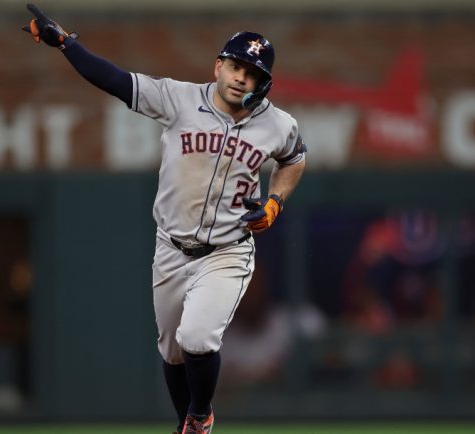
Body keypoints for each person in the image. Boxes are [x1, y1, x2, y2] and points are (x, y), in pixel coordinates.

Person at [21, 4, 307, 434]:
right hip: (171, 248)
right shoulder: (179, 98)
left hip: (227, 251)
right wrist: (67, 44)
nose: (239, 78)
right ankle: (185, 424)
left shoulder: (278, 124)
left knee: (197, 338)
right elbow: (115, 80)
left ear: (263, 84)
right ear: (218, 65)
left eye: (250, 74)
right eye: (234, 66)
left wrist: (275, 203)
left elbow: (294, 159)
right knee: (173, 353)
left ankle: (200, 417)